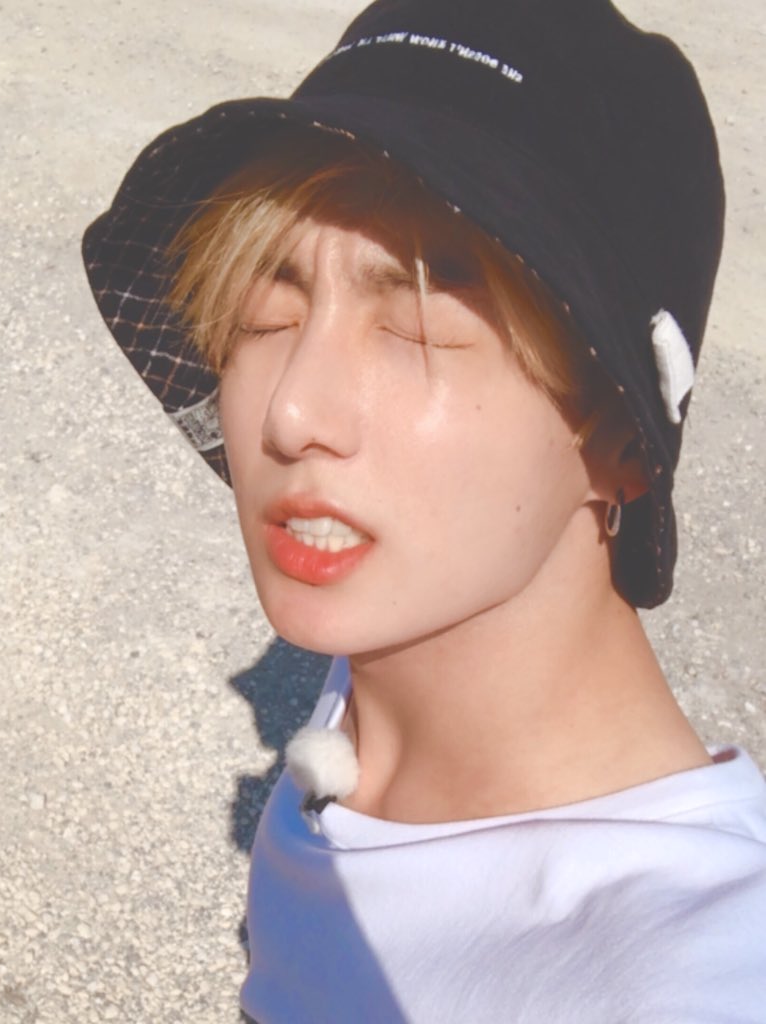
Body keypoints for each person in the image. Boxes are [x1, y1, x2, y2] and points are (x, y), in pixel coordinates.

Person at [83, 0, 766, 1019]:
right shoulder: (374, 681)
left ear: (624, 435)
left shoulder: (691, 970)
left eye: (415, 321)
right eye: (266, 306)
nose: (290, 413)